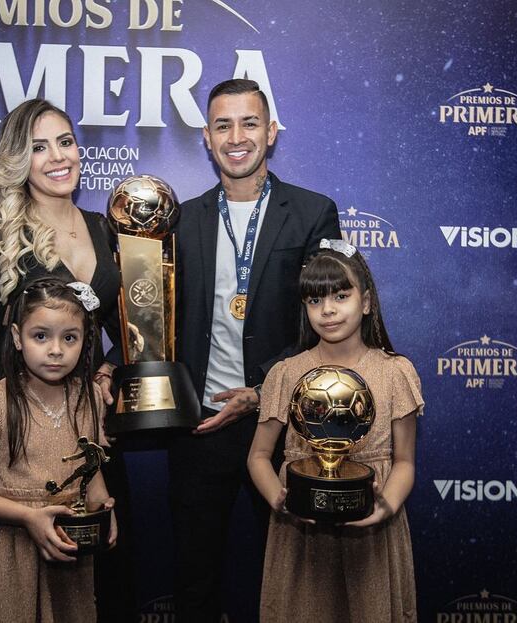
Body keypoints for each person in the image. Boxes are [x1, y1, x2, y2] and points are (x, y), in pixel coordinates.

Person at [0, 98, 137, 621]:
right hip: (15, 446)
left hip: (85, 433)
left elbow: (128, 328)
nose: (58, 156)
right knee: (9, 593)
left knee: (94, 587)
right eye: (39, 147)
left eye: (65, 142)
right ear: (17, 160)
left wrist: (106, 369)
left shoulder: (104, 228)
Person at [167, 78, 342, 622]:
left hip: (283, 422)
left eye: (249, 123)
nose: (236, 137)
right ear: (206, 137)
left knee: (293, 573)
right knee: (194, 578)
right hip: (201, 425)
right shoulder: (181, 220)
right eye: (223, 125)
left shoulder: (313, 212)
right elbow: (157, 318)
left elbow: (327, 320)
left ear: (271, 132)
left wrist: (263, 389)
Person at [247, 240, 423, 622]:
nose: (327, 310)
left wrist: (384, 507)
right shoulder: (285, 373)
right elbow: (258, 456)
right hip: (300, 533)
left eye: (341, 296)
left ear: (366, 302)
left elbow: (405, 461)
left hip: (374, 533)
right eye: (315, 300)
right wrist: (279, 499)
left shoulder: (395, 372)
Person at [0, 278, 117, 622]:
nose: (56, 350)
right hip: (4, 552)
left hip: (66, 553)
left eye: (69, 338)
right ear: (16, 337)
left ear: (85, 340)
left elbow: (91, 466)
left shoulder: (89, 398)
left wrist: (103, 508)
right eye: (41, 336)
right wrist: (27, 516)